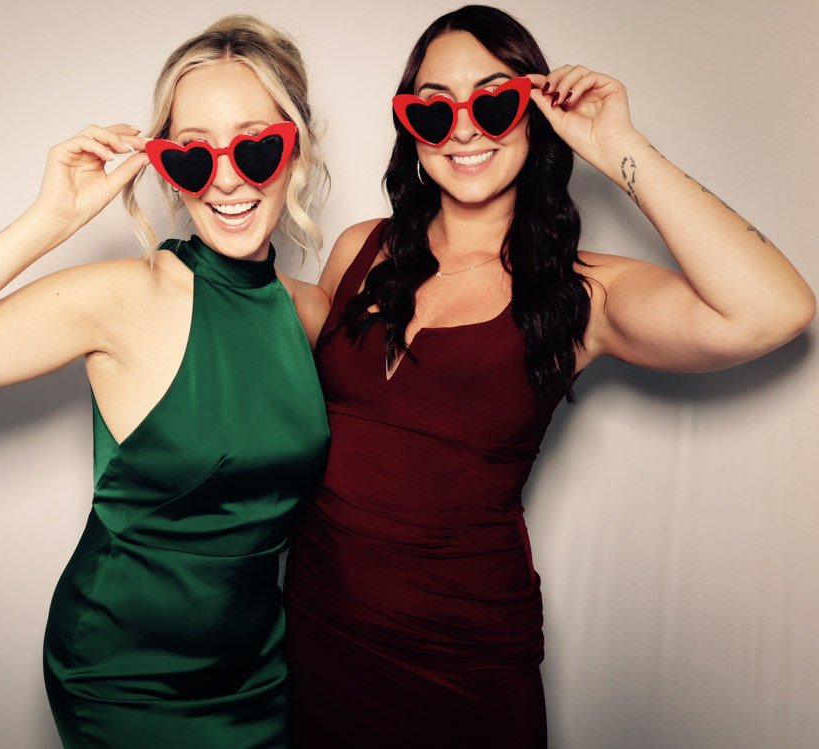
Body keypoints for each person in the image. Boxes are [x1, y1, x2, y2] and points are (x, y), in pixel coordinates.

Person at [283, 5, 814, 748]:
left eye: (494, 102)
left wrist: (620, 146)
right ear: (411, 127)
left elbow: (774, 309)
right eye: (435, 109)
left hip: (460, 663)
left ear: (536, 113)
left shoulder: (579, 292)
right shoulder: (358, 250)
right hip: (314, 630)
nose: (464, 128)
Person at [0, 15, 330, 749]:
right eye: (193, 157)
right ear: (162, 165)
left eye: (257, 147)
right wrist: (50, 219)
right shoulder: (123, 299)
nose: (227, 178)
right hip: (122, 674)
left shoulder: (312, 313)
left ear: (296, 151)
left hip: (257, 668)